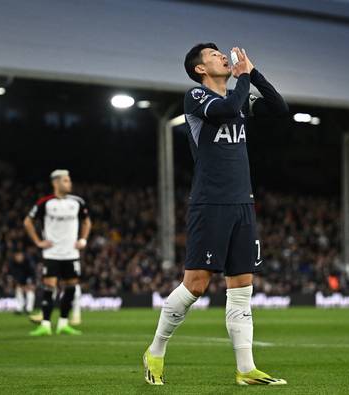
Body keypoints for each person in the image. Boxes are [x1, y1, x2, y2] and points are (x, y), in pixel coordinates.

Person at [143, 44, 289, 385]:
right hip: (210, 203)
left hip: (242, 203)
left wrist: (253, 74)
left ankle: (245, 368)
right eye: (213, 54)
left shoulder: (240, 98)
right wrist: (241, 80)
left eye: (222, 52)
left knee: (242, 287)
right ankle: (156, 350)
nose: (222, 56)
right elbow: (224, 110)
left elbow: (280, 109)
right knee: (195, 285)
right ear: (200, 69)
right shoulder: (196, 97)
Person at [24, 170, 91, 336]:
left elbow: (87, 222)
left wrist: (83, 239)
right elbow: (27, 221)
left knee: (71, 288)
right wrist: (38, 242)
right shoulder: (45, 203)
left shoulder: (77, 202)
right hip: (52, 253)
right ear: (56, 183)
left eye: (69, 180)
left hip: (71, 253)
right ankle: (45, 325)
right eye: (66, 181)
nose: (70, 183)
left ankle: (63, 323)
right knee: (49, 287)